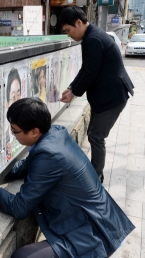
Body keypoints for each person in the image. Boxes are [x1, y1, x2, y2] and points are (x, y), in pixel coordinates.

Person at [0, 97, 135, 258]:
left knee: (23, 256)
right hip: (98, 221)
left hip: (94, 233)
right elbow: (27, 166)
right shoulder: (55, 133)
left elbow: (20, 207)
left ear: (34, 131)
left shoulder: (48, 154)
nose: (13, 135)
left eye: (14, 131)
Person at [60, 6, 134, 183]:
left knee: (96, 136)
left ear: (78, 23)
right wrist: (71, 87)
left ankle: (96, 177)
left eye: (68, 30)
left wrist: (73, 94)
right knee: (94, 134)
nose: (68, 35)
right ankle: (94, 173)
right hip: (105, 96)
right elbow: (86, 69)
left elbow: (89, 74)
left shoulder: (93, 39)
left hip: (112, 98)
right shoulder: (91, 36)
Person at [5, 68, 21, 161]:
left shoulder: (28, 128)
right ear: (7, 104)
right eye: (13, 97)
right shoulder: (4, 139)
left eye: (18, 95)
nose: (17, 101)